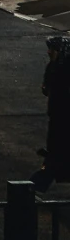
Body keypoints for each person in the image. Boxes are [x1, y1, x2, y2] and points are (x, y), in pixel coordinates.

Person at [34, 34, 70, 190]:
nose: (49, 52)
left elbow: (46, 88)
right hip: (57, 117)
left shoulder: (60, 69)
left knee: (55, 157)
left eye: (52, 49)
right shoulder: (53, 67)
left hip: (62, 119)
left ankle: (33, 189)